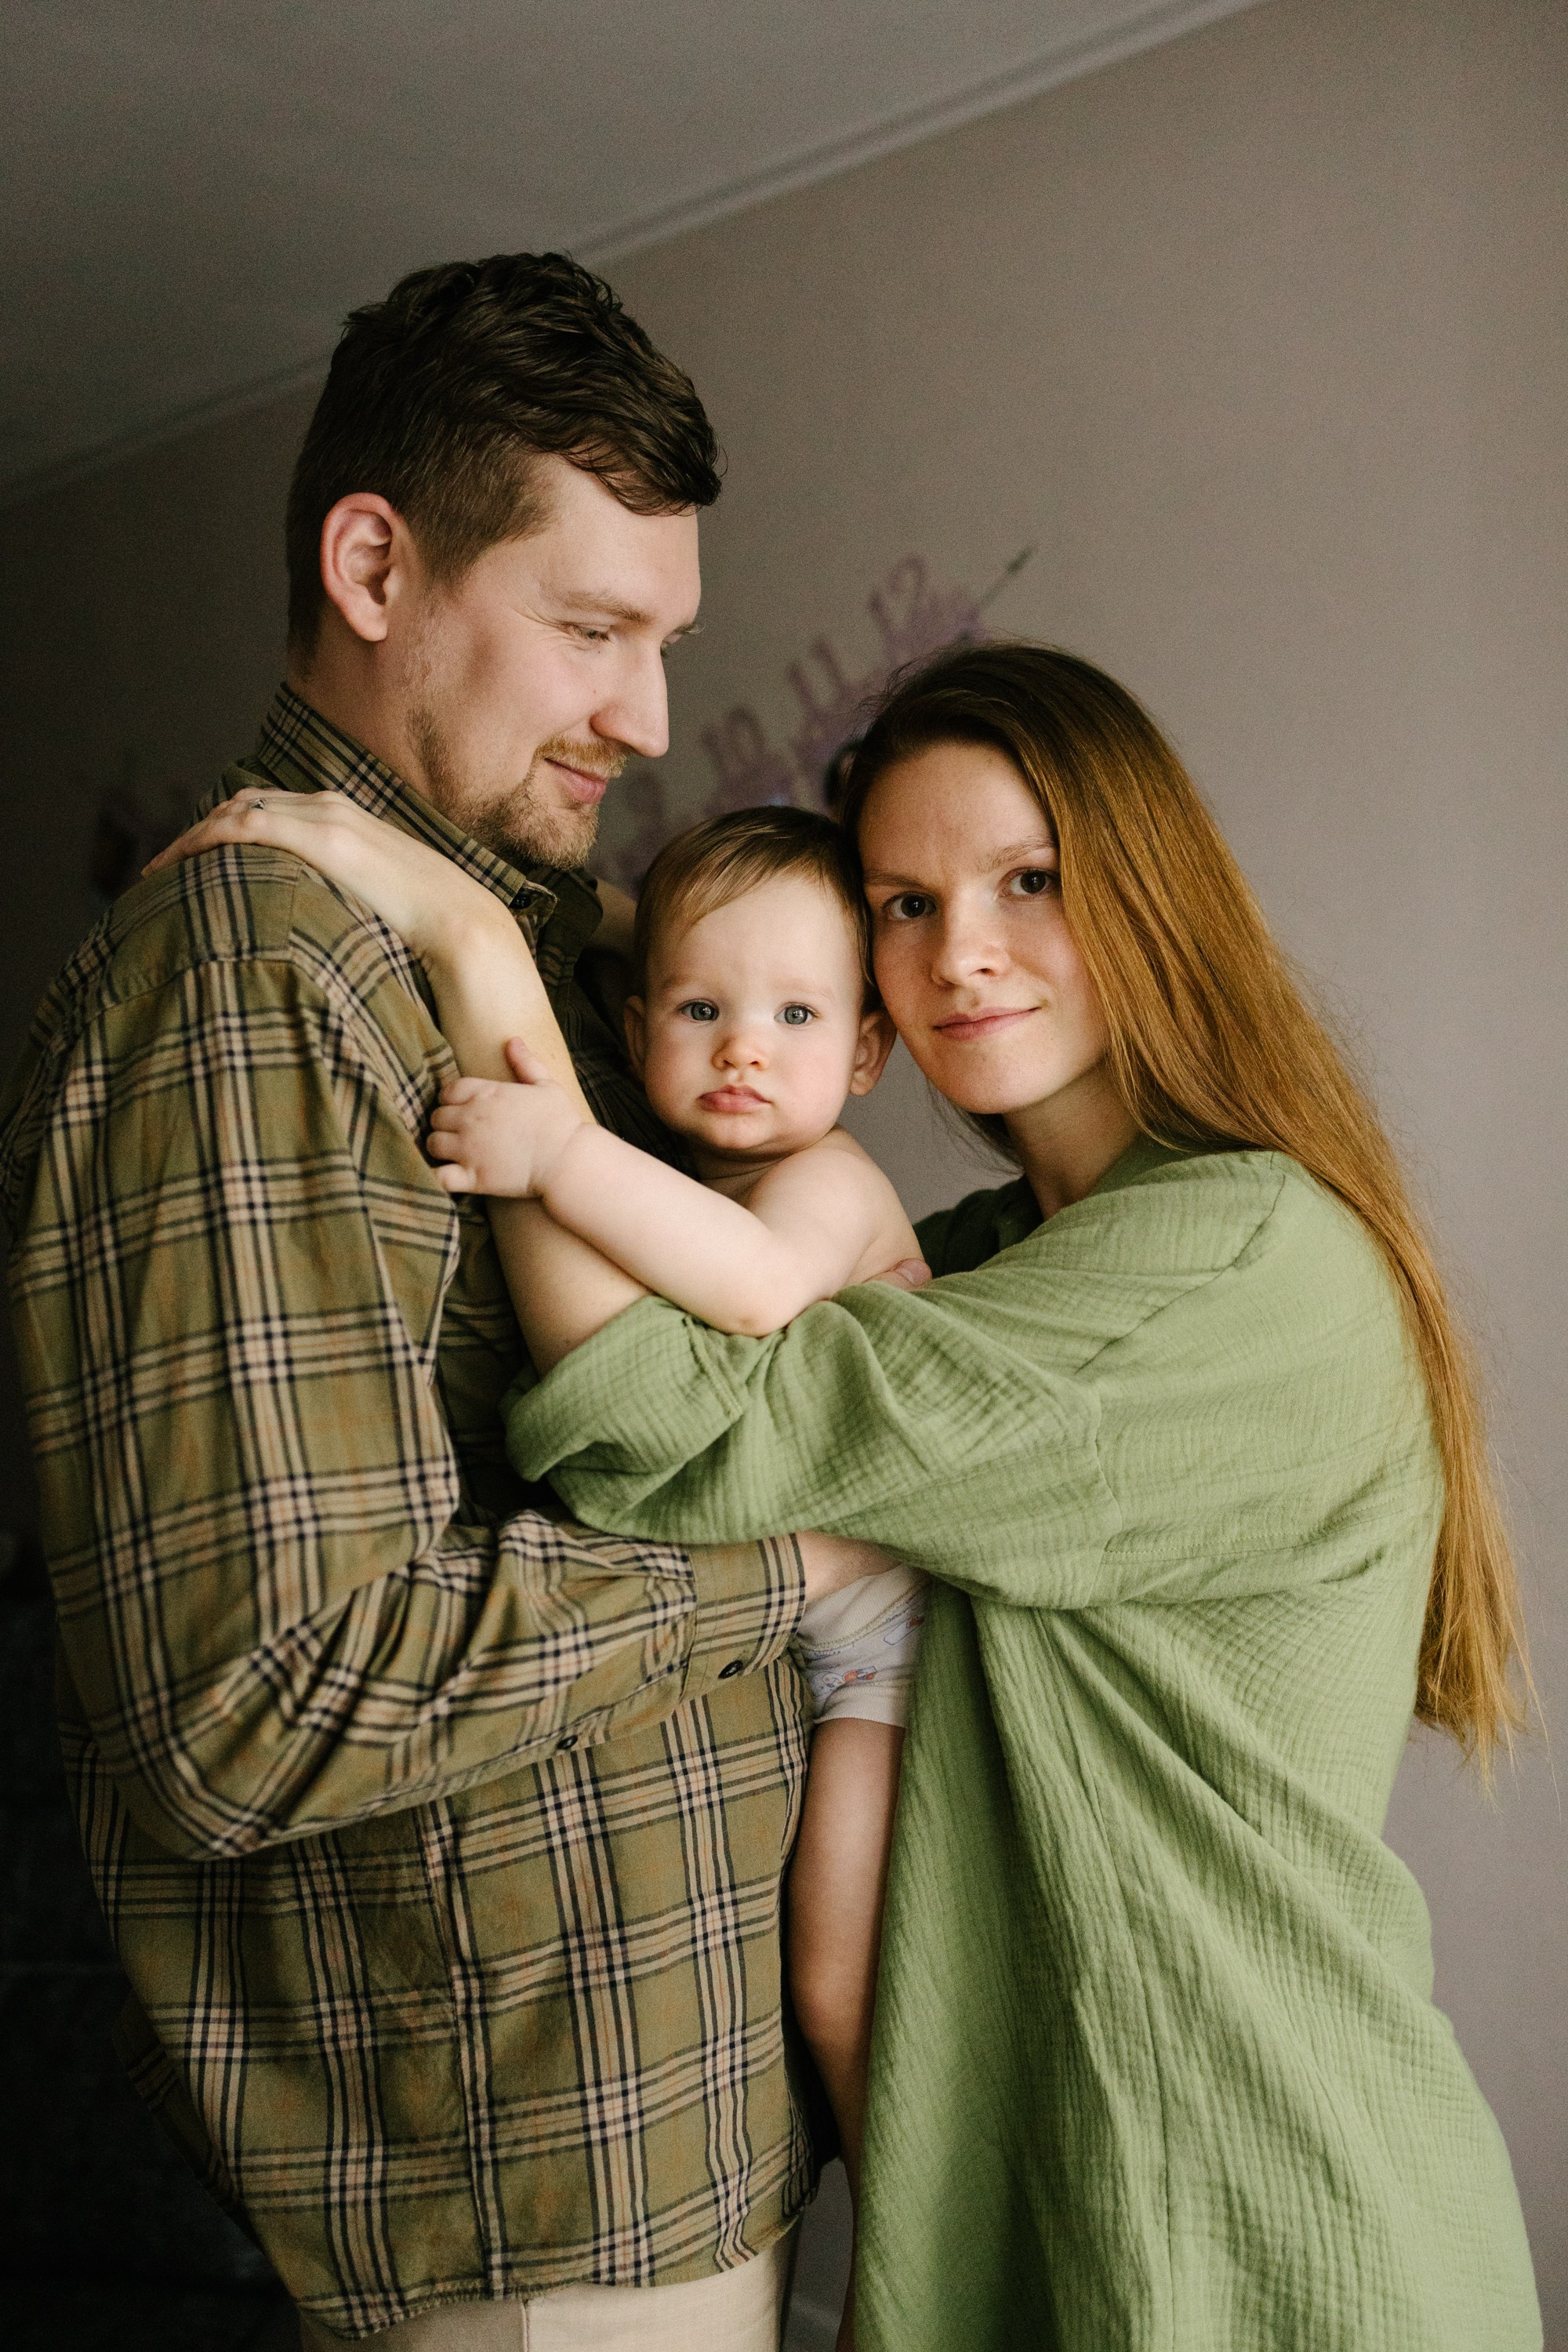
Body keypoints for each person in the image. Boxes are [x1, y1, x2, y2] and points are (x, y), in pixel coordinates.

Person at [215, 638, 1538, 2350]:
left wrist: (478, 950)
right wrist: (618, 929)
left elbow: (656, 1435)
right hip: (1066, 2190)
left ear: (1154, 892)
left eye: (1029, 881)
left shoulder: (1237, 1269)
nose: (959, 955)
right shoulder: (1017, 1261)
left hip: (1257, 2221)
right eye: (902, 907)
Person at [0, 251, 888, 2350]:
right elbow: (255, 1705)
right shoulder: (246, 974)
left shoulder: (579, 968)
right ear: (374, 563)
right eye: (592, 630)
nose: (652, 717)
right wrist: (790, 1566)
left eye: (665, 641)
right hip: (522, 2217)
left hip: (682, 2150)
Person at [149, 793, 935, 2284]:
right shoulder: (691, 1165)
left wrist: (558, 1155)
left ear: (870, 1051)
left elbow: (763, 1290)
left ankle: (908, 2260)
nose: (744, 1046)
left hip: (893, 1642)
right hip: (800, 1646)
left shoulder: (825, 1186)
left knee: (843, 1984)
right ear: (637, 1023)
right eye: (701, 1008)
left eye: (794, 1013)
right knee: (821, 1974)